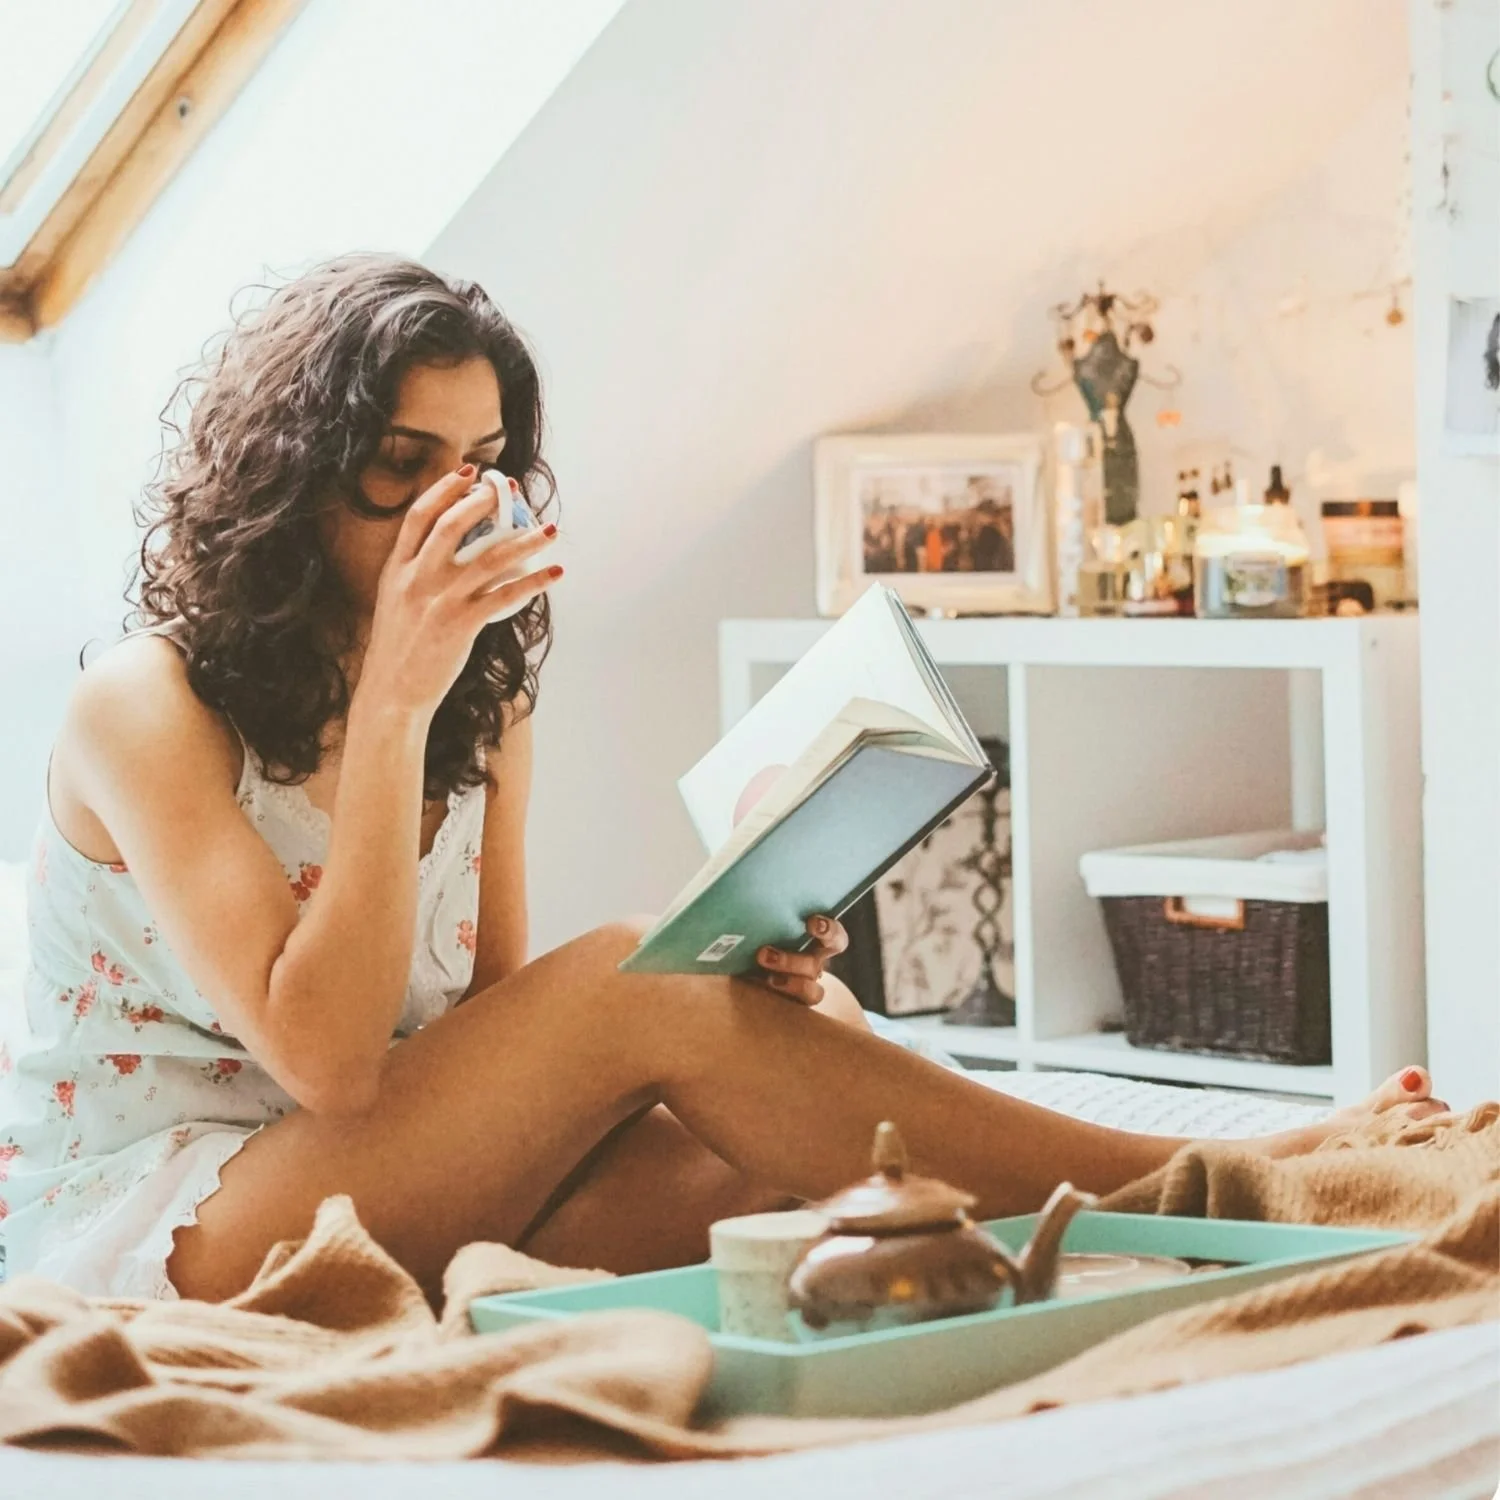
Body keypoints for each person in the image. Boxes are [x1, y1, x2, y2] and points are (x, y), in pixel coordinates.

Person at [0, 255, 1446, 1308]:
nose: (460, 506)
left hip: (383, 1171)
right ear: (293, 476)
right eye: (402, 463)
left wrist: (738, 985)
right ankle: (1219, 1179)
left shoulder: (482, 695)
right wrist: (390, 705)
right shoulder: (148, 705)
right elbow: (330, 1061)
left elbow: (487, 1031)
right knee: (635, 971)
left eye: (488, 464)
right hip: (170, 1215)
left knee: (780, 1147)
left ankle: (1151, 1209)